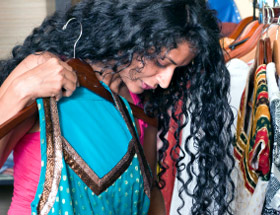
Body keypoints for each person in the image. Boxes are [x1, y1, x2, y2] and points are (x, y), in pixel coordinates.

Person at [0, 0, 235, 214]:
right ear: (134, 33)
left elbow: (151, 192)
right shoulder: (46, 76)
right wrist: (22, 88)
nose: (165, 81)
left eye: (177, 69)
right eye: (162, 62)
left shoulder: (142, 106)